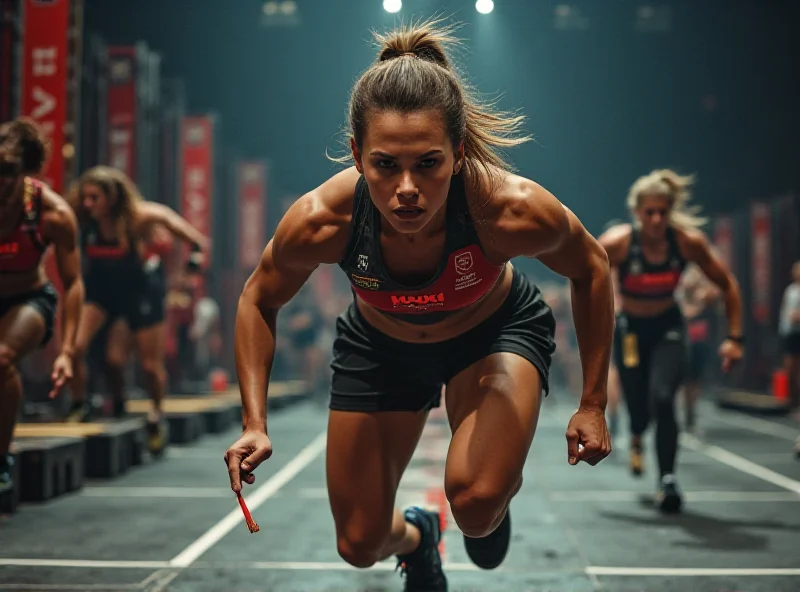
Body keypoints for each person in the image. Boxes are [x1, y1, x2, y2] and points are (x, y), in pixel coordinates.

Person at [224, 20, 613, 591]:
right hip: (380, 345)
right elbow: (259, 296)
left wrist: (594, 403)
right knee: (358, 545)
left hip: (490, 334)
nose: (407, 188)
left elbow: (593, 266)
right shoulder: (322, 220)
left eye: (427, 164)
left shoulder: (507, 208)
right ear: (357, 156)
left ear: (458, 153)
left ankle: (496, 487)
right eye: (386, 165)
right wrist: (253, 423)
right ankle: (419, 537)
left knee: (477, 504)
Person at [598, 169, 743, 513]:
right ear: (636, 213)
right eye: (649, 212)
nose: (657, 219)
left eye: (663, 212)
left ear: (671, 211)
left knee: (663, 398)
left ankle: (667, 479)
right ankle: (635, 434)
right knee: (638, 412)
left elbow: (728, 286)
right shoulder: (617, 243)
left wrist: (735, 337)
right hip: (630, 329)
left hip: (668, 327)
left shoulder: (686, 242)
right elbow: (582, 278)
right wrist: (601, 322)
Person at [65, 166, 208, 456]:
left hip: (141, 290)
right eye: (85, 198)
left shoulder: (142, 217)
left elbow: (197, 241)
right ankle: (83, 405)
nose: (88, 204)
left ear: (113, 197)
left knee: (148, 365)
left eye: (95, 198)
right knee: (78, 348)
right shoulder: (81, 218)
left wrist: (192, 263)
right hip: (103, 290)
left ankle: (157, 415)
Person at [0, 117, 84, 494]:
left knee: (1, 359)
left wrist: (66, 352)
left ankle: (2, 458)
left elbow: (74, 284)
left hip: (29, 298)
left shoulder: (53, 215)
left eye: (7, 172)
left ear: (24, 170)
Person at [677, 261, 721, 434]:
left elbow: (716, 293)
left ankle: (691, 415)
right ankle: (684, 413)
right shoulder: (680, 287)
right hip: (681, 339)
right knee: (682, 380)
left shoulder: (706, 286)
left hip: (700, 340)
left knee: (695, 380)